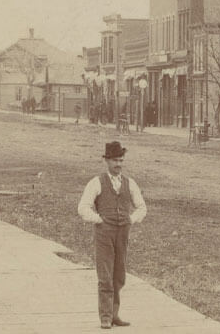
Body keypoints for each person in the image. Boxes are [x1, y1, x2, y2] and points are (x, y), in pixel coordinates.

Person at [77, 141, 147, 329]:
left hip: (123, 233)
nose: (118, 164)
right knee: (105, 275)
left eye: (121, 160)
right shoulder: (96, 182)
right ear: (107, 161)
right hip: (104, 234)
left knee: (119, 274)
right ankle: (105, 317)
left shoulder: (129, 183)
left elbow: (142, 207)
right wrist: (98, 220)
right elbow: (82, 207)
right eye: (115, 160)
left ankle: (115, 314)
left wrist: (131, 219)